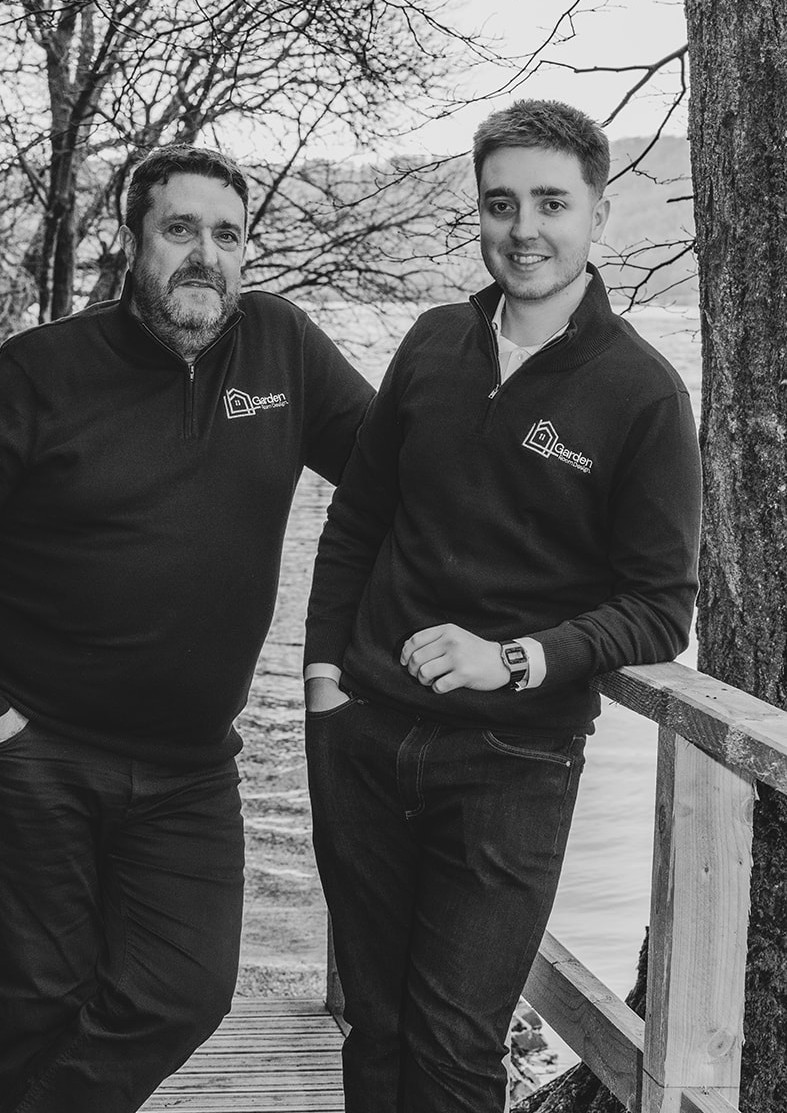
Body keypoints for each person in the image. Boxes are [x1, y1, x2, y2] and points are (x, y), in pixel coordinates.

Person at [0, 144, 373, 1113]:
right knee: (43, 1007)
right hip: (36, 754)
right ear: (132, 238)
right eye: (180, 230)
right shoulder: (44, 371)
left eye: (227, 236)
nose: (206, 255)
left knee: (184, 989)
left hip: (191, 769)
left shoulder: (281, 350)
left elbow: (397, 479)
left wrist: (534, 577)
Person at [302, 99, 702, 1113]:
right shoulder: (433, 343)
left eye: (549, 202)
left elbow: (657, 610)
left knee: (450, 1047)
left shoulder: (642, 395)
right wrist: (320, 678)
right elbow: (356, 521)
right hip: (364, 737)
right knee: (376, 1028)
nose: (522, 228)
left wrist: (515, 658)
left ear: (596, 214)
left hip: (509, 762)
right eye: (499, 203)